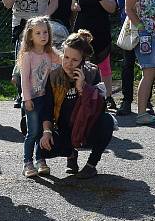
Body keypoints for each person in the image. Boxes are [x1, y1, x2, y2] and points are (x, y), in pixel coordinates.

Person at [38, 30, 114, 180]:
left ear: (82, 60)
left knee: (107, 121)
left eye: (74, 60)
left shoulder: (92, 72)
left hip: (86, 128)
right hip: (64, 129)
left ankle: (91, 165)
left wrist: (83, 88)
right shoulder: (53, 77)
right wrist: (46, 132)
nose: (68, 63)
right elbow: (46, 107)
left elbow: (100, 107)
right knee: (43, 150)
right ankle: (70, 153)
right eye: (66, 57)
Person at [72, 0, 117, 110]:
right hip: (82, 32)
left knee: (104, 65)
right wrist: (74, 6)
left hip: (101, 30)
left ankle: (108, 97)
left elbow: (112, 8)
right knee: (80, 63)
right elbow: (71, 4)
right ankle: (81, 94)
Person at [18, 16, 61, 178]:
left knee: (44, 130)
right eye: (38, 33)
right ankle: (27, 162)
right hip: (31, 100)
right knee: (33, 132)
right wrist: (27, 99)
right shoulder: (27, 55)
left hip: (46, 98)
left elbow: (64, 61)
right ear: (30, 35)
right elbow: (24, 80)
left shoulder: (50, 53)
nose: (43, 36)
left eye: (45, 32)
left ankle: (41, 159)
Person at [116, 0, 149, 115]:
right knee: (127, 64)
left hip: (149, 26)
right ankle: (126, 101)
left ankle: (147, 102)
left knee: (148, 65)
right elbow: (121, 0)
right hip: (129, 26)